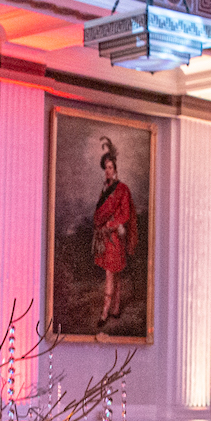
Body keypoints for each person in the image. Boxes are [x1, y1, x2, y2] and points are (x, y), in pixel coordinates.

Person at [91, 139, 137, 327]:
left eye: (110, 167)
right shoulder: (104, 190)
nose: (108, 170)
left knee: (112, 274)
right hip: (105, 237)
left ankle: (105, 313)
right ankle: (116, 309)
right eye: (106, 168)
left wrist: (110, 224)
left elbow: (125, 214)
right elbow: (98, 213)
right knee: (113, 274)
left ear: (115, 169)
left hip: (115, 238)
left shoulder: (122, 189)